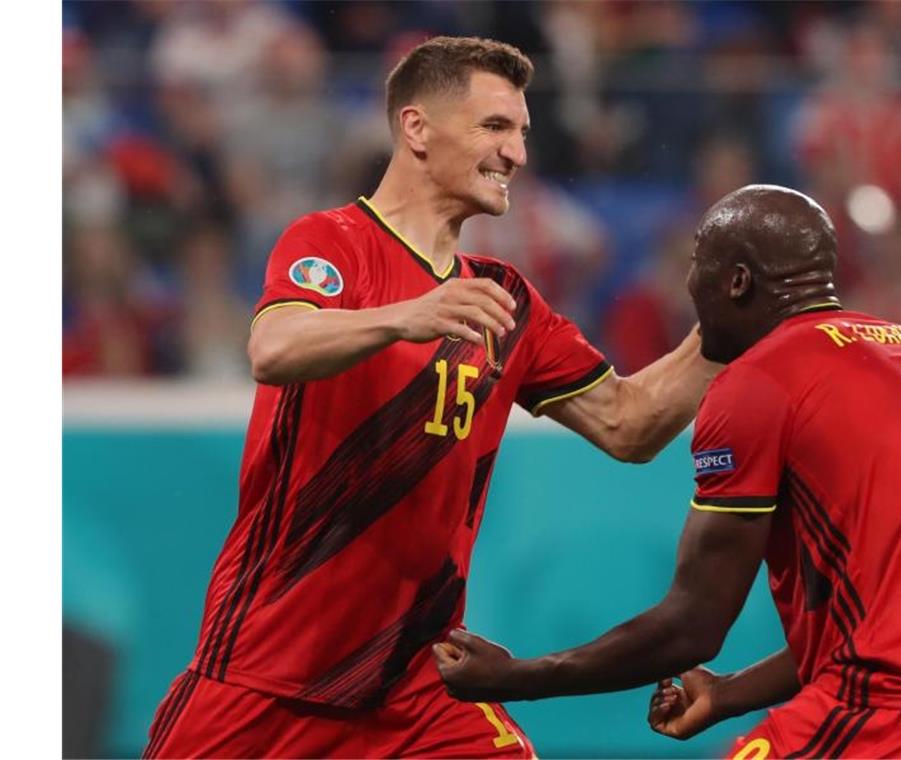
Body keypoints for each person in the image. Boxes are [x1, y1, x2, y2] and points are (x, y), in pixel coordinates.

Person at [142, 36, 718, 759]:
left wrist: (719, 334)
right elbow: (275, 348)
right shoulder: (333, 241)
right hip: (267, 672)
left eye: (522, 133)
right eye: (495, 127)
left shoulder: (507, 300)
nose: (517, 154)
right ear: (416, 128)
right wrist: (405, 317)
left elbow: (629, 424)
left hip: (415, 689)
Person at [434, 185, 901, 758]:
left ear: (736, 281)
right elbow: (879, 620)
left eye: (696, 265)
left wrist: (516, 678)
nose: (689, 287)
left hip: (897, 711)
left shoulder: (760, 382)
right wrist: (730, 693)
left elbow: (692, 625)